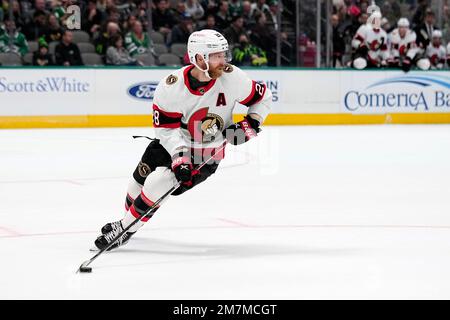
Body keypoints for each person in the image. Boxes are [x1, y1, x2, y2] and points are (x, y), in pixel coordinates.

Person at [93, 29, 272, 250]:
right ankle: (128, 222)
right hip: (173, 142)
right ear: (199, 58)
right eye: (217, 55)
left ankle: (124, 229)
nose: (223, 60)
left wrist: (251, 123)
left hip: (206, 152)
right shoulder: (171, 86)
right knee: (138, 179)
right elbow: (166, 131)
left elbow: (263, 98)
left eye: (224, 54)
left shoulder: (232, 77)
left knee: (160, 182)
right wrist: (179, 158)